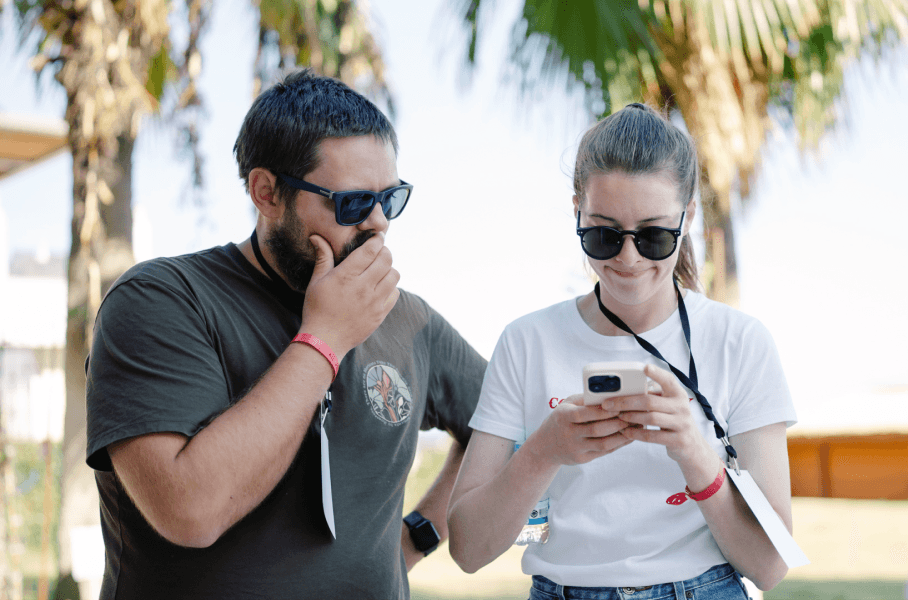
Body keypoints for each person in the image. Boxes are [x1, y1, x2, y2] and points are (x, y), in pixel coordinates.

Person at [85, 69, 486, 600]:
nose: (378, 224)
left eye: (390, 199)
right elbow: (191, 511)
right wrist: (324, 339)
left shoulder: (406, 318)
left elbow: (504, 422)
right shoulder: (161, 300)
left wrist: (419, 534)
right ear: (266, 192)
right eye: (350, 204)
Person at [447, 103, 797, 599]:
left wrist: (694, 453)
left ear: (688, 217)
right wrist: (545, 451)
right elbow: (468, 549)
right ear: (577, 213)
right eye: (604, 235)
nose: (628, 259)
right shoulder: (528, 342)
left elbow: (770, 567)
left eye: (654, 236)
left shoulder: (739, 342)